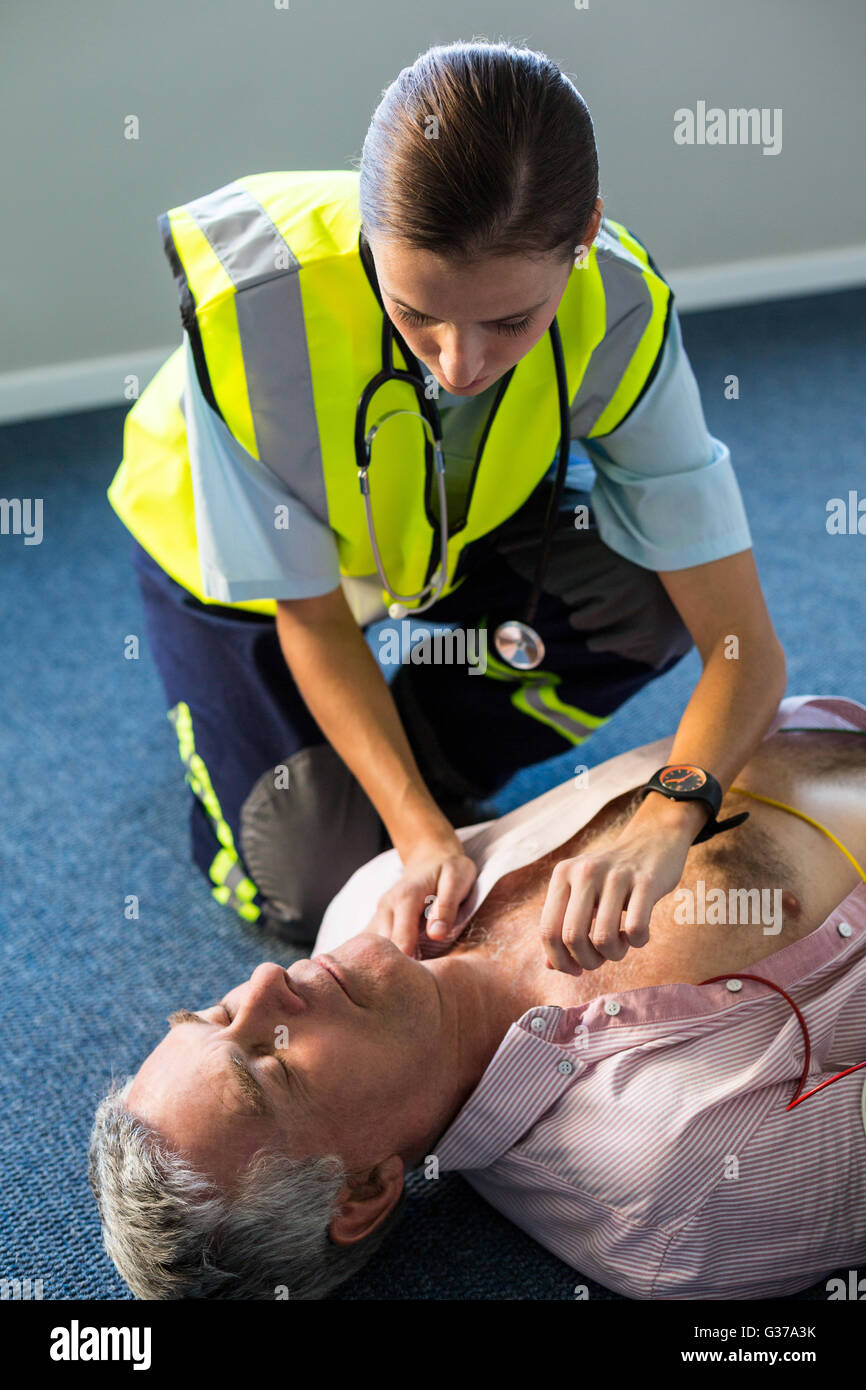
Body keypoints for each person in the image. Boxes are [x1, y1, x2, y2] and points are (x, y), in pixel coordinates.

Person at [106, 39, 785, 946]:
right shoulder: (250, 306)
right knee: (315, 884)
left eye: (511, 321)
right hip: (244, 575)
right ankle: (337, 773)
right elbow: (311, 615)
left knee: (644, 596)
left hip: (437, 540)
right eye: (416, 311)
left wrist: (669, 815)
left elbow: (743, 645)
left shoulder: (621, 309)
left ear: (583, 236)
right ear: (369, 237)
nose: (461, 365)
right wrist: (420, 836)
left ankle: (408, 751)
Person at [89, 695, 866, 1300]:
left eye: (219, 1014)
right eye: (269, 1066)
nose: (267, 983)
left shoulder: (368, 903)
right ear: (361, 1191)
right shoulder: (682, 1196)